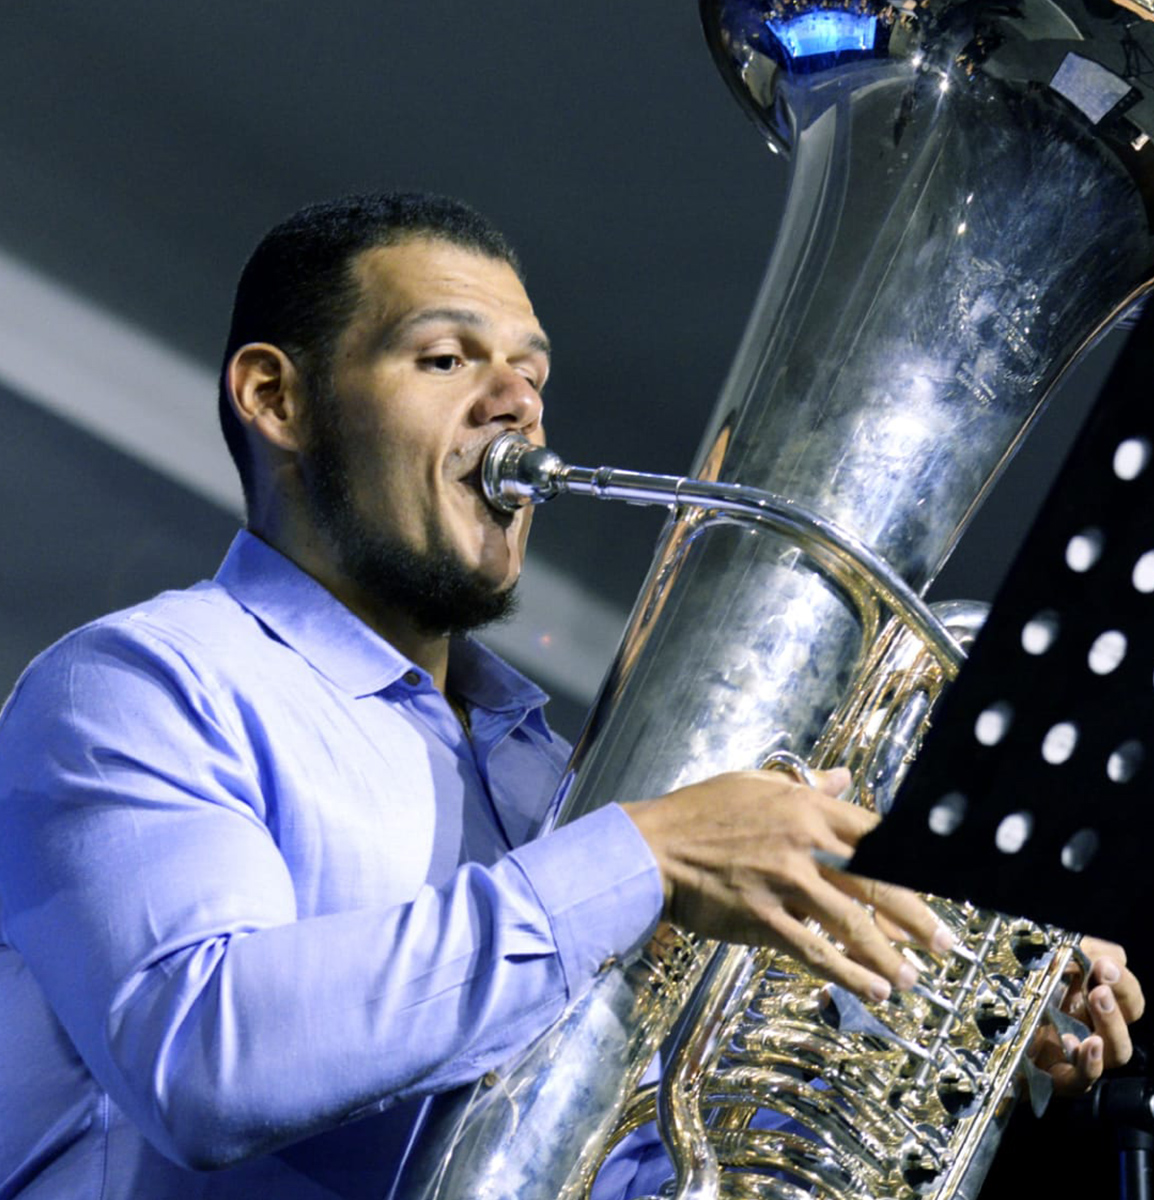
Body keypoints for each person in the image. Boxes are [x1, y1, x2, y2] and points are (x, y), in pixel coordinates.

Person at [0, 192, 1141, 1199]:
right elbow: (205, 1057)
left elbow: (633, 1161)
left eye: (533, 375)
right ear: (275, 398)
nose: (517, 404)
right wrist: (643, 857)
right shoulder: (138, 685)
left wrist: (935, 1021)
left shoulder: (545, 780)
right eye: (445, 359)